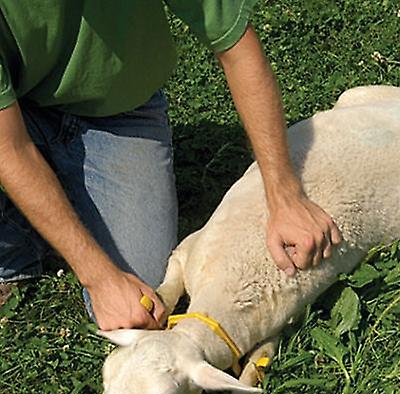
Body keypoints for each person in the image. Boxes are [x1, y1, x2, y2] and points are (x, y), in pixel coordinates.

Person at [0, 1, 341, 331]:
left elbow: (237, 49)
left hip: (118, 112)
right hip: (10, 113)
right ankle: (13, 245)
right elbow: (10, 148)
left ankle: (43, 204)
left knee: (143, 291)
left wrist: (286, 196)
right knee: (114, 287)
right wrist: (98, 277)